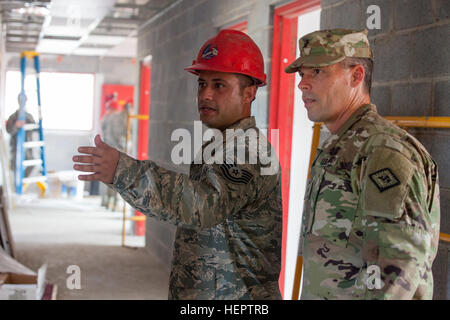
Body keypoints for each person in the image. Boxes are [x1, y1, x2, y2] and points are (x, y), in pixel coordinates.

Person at [73, 29, 283, 300]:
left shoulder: (248, 150)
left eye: (219, 85)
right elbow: (184, 212)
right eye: (201, 84)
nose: (205, 94)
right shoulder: (218, 144)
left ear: (249, 93)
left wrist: (124, 172)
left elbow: (202, 205)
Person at [285, 29, 440, 300]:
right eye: (302, 74)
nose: (302, 84)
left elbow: (397, 276)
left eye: (317, 72)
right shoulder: (340, 145)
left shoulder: (381, 151)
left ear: (356, 75)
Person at [100, 93, 126, 210]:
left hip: (105, 151)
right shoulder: (117, 118)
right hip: (116, 152)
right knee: (116, 177)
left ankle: (106, 201)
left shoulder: (105, 118)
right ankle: (114, 203)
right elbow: (121, 135)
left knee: (106, 176)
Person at [6, 93, 36, 177]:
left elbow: (34, 128)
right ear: (18, 101)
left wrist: (28, 125)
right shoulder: (12, 117)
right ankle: (17, 185)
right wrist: (16, 125)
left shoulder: (29, 116)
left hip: (27, 146)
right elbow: (9, 130)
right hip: (16, 147)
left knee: (32, 163)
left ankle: (22, 180)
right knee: (15, 167)